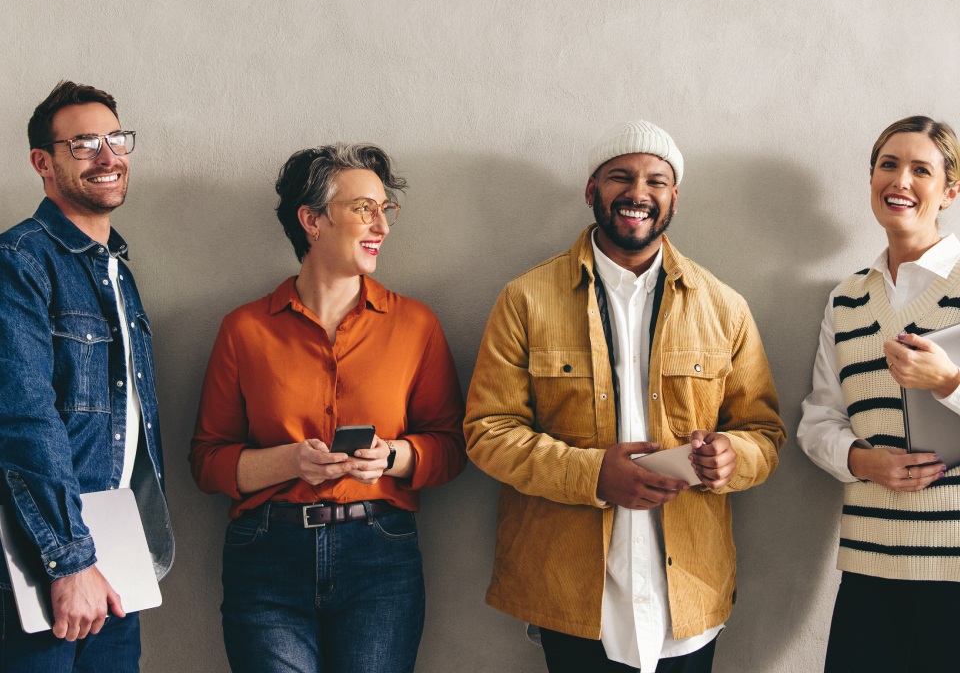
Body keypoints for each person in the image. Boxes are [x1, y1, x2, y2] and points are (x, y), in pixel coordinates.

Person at [464, 119, 785, 673]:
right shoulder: (525, 300)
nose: (638, 193)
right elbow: (487, 431)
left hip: (688, 599)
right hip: (576, 598)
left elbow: (764, 432)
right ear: (593, 190)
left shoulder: (724, 307)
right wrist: (591, 475)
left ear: (674, 200)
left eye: (656, 181)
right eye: (621, 177)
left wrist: (733, 459)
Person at [189, 143, 467, 673]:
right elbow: (207, 461)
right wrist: (291, 460)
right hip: (266, 555)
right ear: (311, 220)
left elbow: (451, 447)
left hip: (380, 556)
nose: (381, 226)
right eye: (364, 207)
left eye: (386, 210)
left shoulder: (415, 325)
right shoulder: (244, 328)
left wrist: (392, 458)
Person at [0, 81, 174, 671]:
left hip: (113, 556)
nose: (108, 156)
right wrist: (69, 560)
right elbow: (23, 419)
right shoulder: (19, 261)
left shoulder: (117, 274)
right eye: (82, 143)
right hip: (45, 561)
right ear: (41, 163)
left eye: (115, 139)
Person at [798, 115, 960, 672]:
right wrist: (862, 461)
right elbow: (820, 416)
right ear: (871, 178)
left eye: (922, 169)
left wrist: (949, 383)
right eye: (888, 165)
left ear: (950, 190)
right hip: (870, 565)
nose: (901, 180)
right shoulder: (846, 299)